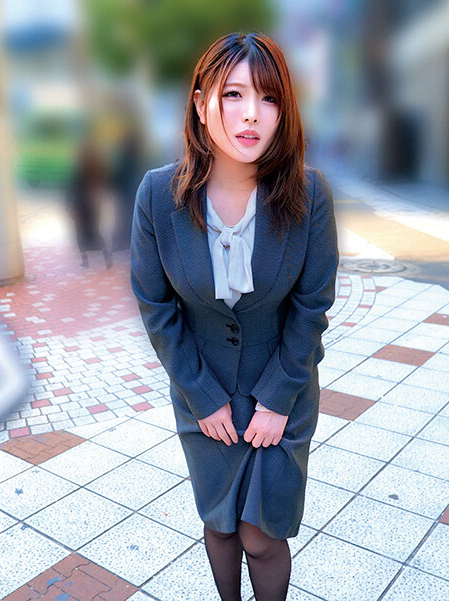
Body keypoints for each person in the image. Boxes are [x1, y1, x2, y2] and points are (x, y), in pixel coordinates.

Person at [130, 33, 338, 600]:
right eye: (234, 95)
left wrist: (276, 400)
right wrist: (201, 395)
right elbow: (155, 306)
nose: (252, 114)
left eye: (269, 98)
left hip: (283, 389)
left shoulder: (309, 193)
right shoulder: (157, 195)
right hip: (203, 391)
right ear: (201, 104)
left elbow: (312, 306)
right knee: (220, 525)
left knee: (261, 535)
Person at [66, 139, 114, 269]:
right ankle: (107, 256)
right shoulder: (100, 166)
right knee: (95, 231)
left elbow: (72, 187)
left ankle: (85, 261)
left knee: (79, 232)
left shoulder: (79, 167)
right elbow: (108, 183)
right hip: (95, 204)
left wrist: (69, 207)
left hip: (80, 204)